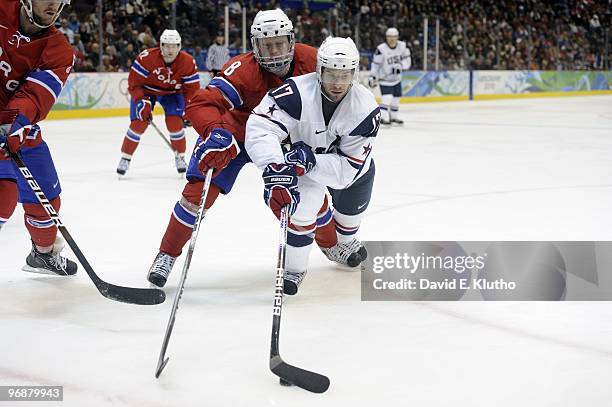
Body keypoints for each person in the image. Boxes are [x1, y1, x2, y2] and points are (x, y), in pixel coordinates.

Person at [146, 9, 319, 288]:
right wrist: (215, 132)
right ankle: (166, 254)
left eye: (280, 43)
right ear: (254, 46)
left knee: (307, 195)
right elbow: (203, 104)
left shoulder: (312, 60)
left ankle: (332, 242)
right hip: (237, 134)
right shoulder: (244, 70)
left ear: (291, 40)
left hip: (282, 139)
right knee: (196, 194)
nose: (274, 52)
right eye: (266, 45)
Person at [245, 36, 379, 295]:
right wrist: (274, 167)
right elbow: (261, 128)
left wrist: (312, 161)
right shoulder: (294, 92)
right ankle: (295, 268)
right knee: (303, 206)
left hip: (352, 175)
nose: (338, 84)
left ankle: (343, 242)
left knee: (347, 231)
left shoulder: (366, 109)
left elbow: (346, 170)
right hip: (301, 165)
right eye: (331, 75)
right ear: (319, 71)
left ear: (355, 73)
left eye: (344, 75)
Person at [0, 0, 77, 275]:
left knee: (46, 197)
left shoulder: (59, 51)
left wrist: (11, 124)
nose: (54, 5)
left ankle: (42, 255)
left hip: (16, 128)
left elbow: (34, 96)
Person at [116, 29, 200, 176]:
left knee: (175, 123)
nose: (170, 50)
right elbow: (134, 84)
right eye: (167, 46)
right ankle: (125, 157)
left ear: (179, 47)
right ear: (160, 45)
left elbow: (192, 90)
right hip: (147, 91)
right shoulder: (146, 58)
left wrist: (189, 109)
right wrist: (142, 102)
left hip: (173, 93)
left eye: (174, 46)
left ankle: (180, 156)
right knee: (138, 123)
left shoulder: (187, 62)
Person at [368, 27, 411, 125]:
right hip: (385, 79)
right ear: (386, 37)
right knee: (387, 98)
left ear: (397, 37)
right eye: (389, 37)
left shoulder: (403, 46)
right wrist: (372, 76)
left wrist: (400, 66)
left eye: (394, 37)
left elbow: (407, 62)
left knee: (396, 98)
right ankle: (382, 118)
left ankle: (394, 117)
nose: (392, 39)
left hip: (397, 78)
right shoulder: (381, 49)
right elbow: (375, 64)